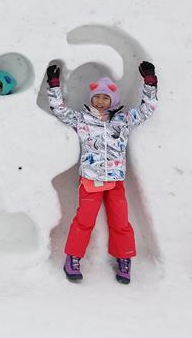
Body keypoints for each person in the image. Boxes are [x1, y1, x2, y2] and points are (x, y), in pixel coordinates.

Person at [46, 62, 157, 284]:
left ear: (112, 101)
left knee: (120, 222)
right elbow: (59, 110)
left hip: (115, 181)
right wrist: (54, 85)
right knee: (84, 221)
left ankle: (124, 258)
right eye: (97, 97)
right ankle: (73, 258)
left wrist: (150, 83)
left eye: (105, 98)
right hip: (90, 180)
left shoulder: (123, 120)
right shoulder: (82, 119)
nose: (100, 101)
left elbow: (147, 109)